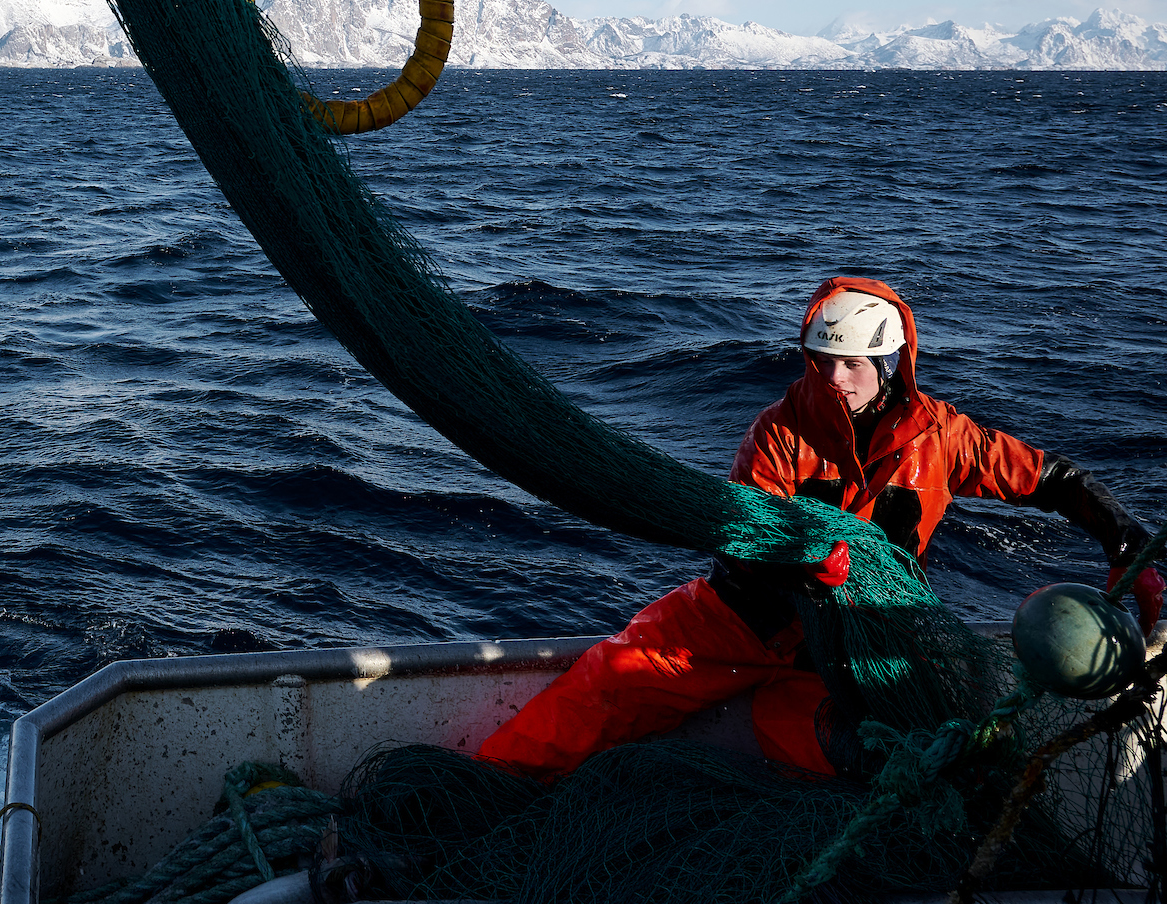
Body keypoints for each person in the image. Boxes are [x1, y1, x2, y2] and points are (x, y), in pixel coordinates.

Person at [477, 275, 1163, 779]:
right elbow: (743, 536)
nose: (836, 377)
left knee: (857, 743)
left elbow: (1050, 478)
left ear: (891, 364)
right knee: (606, 684)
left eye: (854, 362)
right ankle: (487, 783)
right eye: (822, 360)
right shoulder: (776, 430)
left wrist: (1122, 536)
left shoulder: (944, 435)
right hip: (739, 620)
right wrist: (800, 566)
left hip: (855, 644)